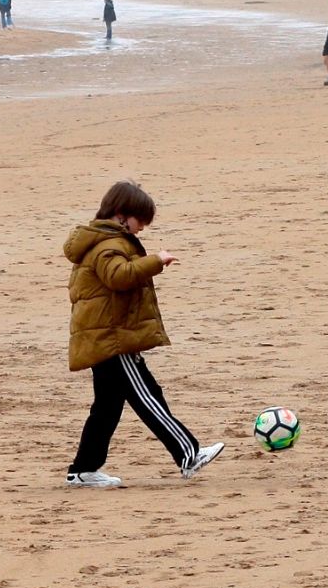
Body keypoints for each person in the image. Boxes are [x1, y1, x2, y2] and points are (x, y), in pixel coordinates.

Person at [63, 181, 225, 488]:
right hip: (112, 339)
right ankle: (188, 453)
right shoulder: (107, 245)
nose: (141, 230)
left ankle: (83, 469)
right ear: (122, 215)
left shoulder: (103, 240)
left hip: (106, 336)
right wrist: (155, 261)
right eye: (140, 222)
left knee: (107, 407)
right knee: (148, 396)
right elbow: (118, 276)